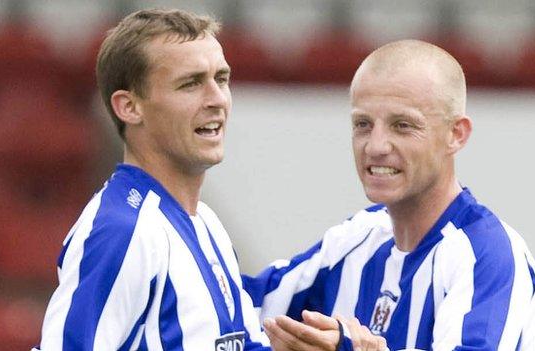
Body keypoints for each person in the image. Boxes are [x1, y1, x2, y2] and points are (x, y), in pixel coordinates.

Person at [33, 8, 385, 351]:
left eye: (221, 79)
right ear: (129, 107)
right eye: (190, 84)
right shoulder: (122, 230)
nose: (217, 99)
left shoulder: (205, 223)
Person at [245, 40, 535, 351]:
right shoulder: (357, 237)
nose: (375, 146)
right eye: (363, 124)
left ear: (456, 134)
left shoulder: (488, 255)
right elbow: (239, 308)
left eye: (402, 126)